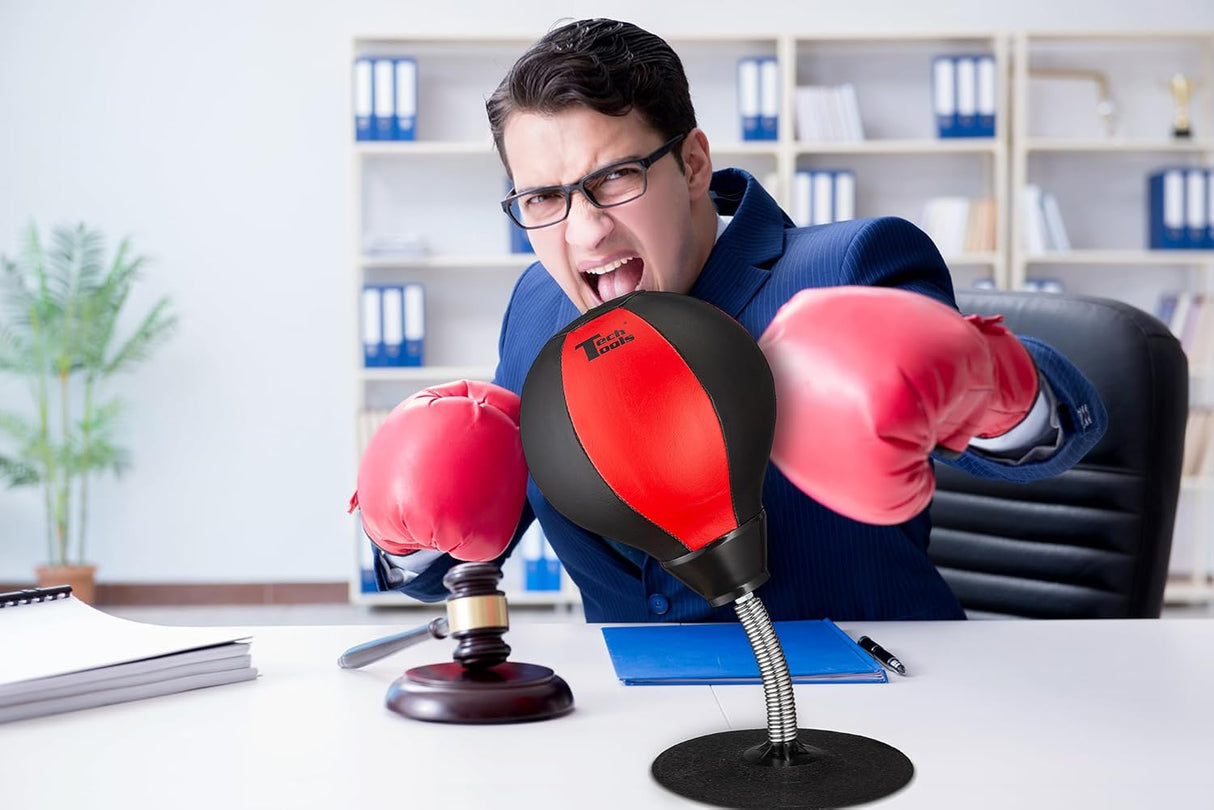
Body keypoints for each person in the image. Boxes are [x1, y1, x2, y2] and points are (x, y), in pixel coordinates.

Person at [353, 19, 1107, 623]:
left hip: (869, 714)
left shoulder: (849, 266)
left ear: (692, 165)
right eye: (542, 199)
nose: (582, 233)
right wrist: (407, 532)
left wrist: (989, 379)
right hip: (634, 728)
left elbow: (1053, 441)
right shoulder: (538, 308)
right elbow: (460, 544)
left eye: (612, 178)